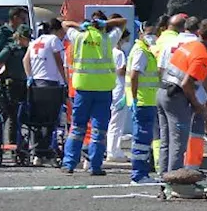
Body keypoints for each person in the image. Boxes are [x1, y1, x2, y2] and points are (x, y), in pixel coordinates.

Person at [61, 13, 127, 175]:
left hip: (83, 88)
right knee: (99, 129)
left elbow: (64, 24)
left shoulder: (79, 37)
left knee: (77, 127)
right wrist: (105, 23)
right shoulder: (107, 39)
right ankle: (95, 166)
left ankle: (69, 163)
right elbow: (123, 22)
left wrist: (81, 26)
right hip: (103, 89)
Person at [156, 19, 207, 176]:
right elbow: (190, 81)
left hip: (163, 90)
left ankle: (163, 179)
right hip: (180, 96)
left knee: (166, 140)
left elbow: (162, 69)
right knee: (178, 143)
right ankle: (174, 180)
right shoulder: (200, 51)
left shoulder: (173, 43)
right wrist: (199, 103)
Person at [24, 19, 69, 165]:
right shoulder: (54, 40)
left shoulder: (35, 41)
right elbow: (58, 61)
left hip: (36, 84)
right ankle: (47, 151)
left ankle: (38, 152)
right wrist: (65, 80)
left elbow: (25, 60)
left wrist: (30, 75)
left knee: (38, 120)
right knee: (51, 120)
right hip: (51, 84)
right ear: (57, 29)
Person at [124, 23, 162, 185]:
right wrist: (133, 98)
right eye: (149, 33)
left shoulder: (145, 50)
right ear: (141, 33)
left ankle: (141, 173)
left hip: (147, 101)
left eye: (154, 33)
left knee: (144, 139)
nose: (152, 36)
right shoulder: (141, 51)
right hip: (143, 102)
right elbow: (134, 76)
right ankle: (139, 175)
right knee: (141, 139)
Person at [183, 20, 207, 170]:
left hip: (173, 94)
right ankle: (192, 167)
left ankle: (179, 166)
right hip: (194, 96)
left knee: (177, 134)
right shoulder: (202, 53)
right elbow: (204, 79)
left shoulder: (186, 47)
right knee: (196, 133)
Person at [0, 25, 31, 148]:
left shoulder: (29, 49)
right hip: (12, 85)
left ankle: (21, 141)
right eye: (26, 38)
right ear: (19, 37)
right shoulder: (11, 49)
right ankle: (12, 144)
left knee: (23, 115)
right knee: (13, 116)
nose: (28, 41)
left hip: (24, 84)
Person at [106, 28, 131, 163]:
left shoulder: (107, 51)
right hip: (119, 90)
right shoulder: (119, 53)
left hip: (110, 87)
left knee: (112, 122)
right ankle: (113, 151)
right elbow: (121, 71)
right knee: (117, 122)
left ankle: (113, 149)